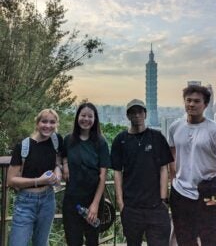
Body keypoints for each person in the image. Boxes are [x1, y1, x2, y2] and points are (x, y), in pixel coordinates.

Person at [111, 99, 174, 246]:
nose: (137, 115)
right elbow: (117, 172)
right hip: (131, 208)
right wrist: (121, 203)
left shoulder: (157, 137)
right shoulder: (120, 140)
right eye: (133, 112)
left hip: (156, 207)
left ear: (145, 114)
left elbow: (164, 168)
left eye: (140, 112)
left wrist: (163, 199)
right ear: (128, 116)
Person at [169, 85, 216, 246]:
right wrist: (173, 180)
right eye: (188, 100)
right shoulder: (175, 127)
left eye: (196, 101)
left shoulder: (215, 131)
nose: (191, 104)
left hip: (207, 192)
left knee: (212, 240)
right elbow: (171, 155)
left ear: (205, 105)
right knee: (185, 240)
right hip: (180, 194)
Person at [7, 109, 63, 246]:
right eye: (44, 121)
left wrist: (58, 170)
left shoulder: (56, 141)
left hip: (48, 200)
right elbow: (11, 180)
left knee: (41, 243)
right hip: (25, 202)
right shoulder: (23, 146)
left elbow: (58, 161)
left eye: (52, 122)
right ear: (37, 123)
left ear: (56, 125)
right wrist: (39, 180)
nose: (48, 126)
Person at [61, 102, 110, 246]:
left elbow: (103, 176)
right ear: (77, 117)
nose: (86, 119)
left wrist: (94, 205)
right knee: (73, 240)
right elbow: (63, 155)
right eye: (83, 115)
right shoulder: (68, 139)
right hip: (71, 199)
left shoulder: (101, 142)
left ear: (95, 119)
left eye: (90, 116)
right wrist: (64, 165)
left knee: (92, 240)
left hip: (93, 198)